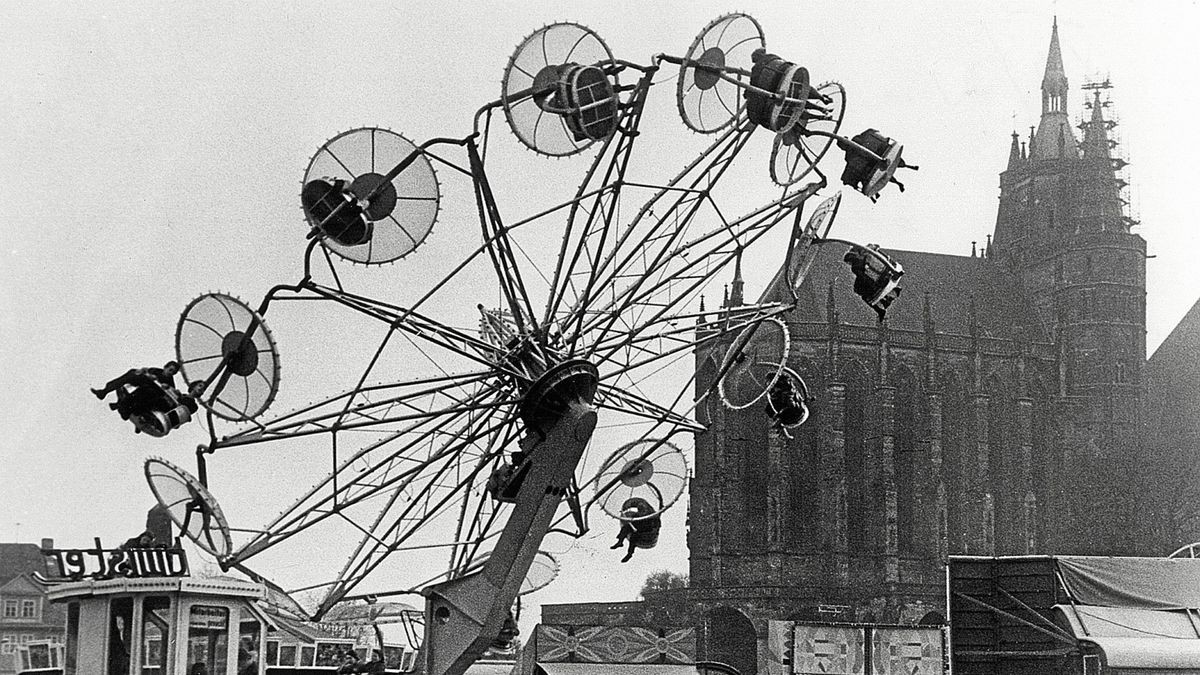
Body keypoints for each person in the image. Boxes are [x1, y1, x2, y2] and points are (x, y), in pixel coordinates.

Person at [92, 361, 198, 435]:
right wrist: (143, 371)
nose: (170, 373)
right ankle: (105, 391)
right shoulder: (156, 370)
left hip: (151, 393)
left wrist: (167, 387)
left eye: (173, 372)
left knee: (148, 393)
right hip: (143, 385)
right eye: (170, 370)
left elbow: (169, 392)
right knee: (131, 373)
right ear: (165, 367)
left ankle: (132, 415)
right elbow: (146, 372)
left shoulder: (170, 381)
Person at [611, 497, 661, 563]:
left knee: (634, 537)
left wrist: (654, 529)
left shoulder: (651, 514)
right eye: (640, 509)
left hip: (648, 531)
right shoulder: (638, 515)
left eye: (642, 509)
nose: (641, 510)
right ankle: (620, 541)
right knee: (626, 528)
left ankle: (630, 553)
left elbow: (657, 523)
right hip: (640, 528)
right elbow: (632, 520)